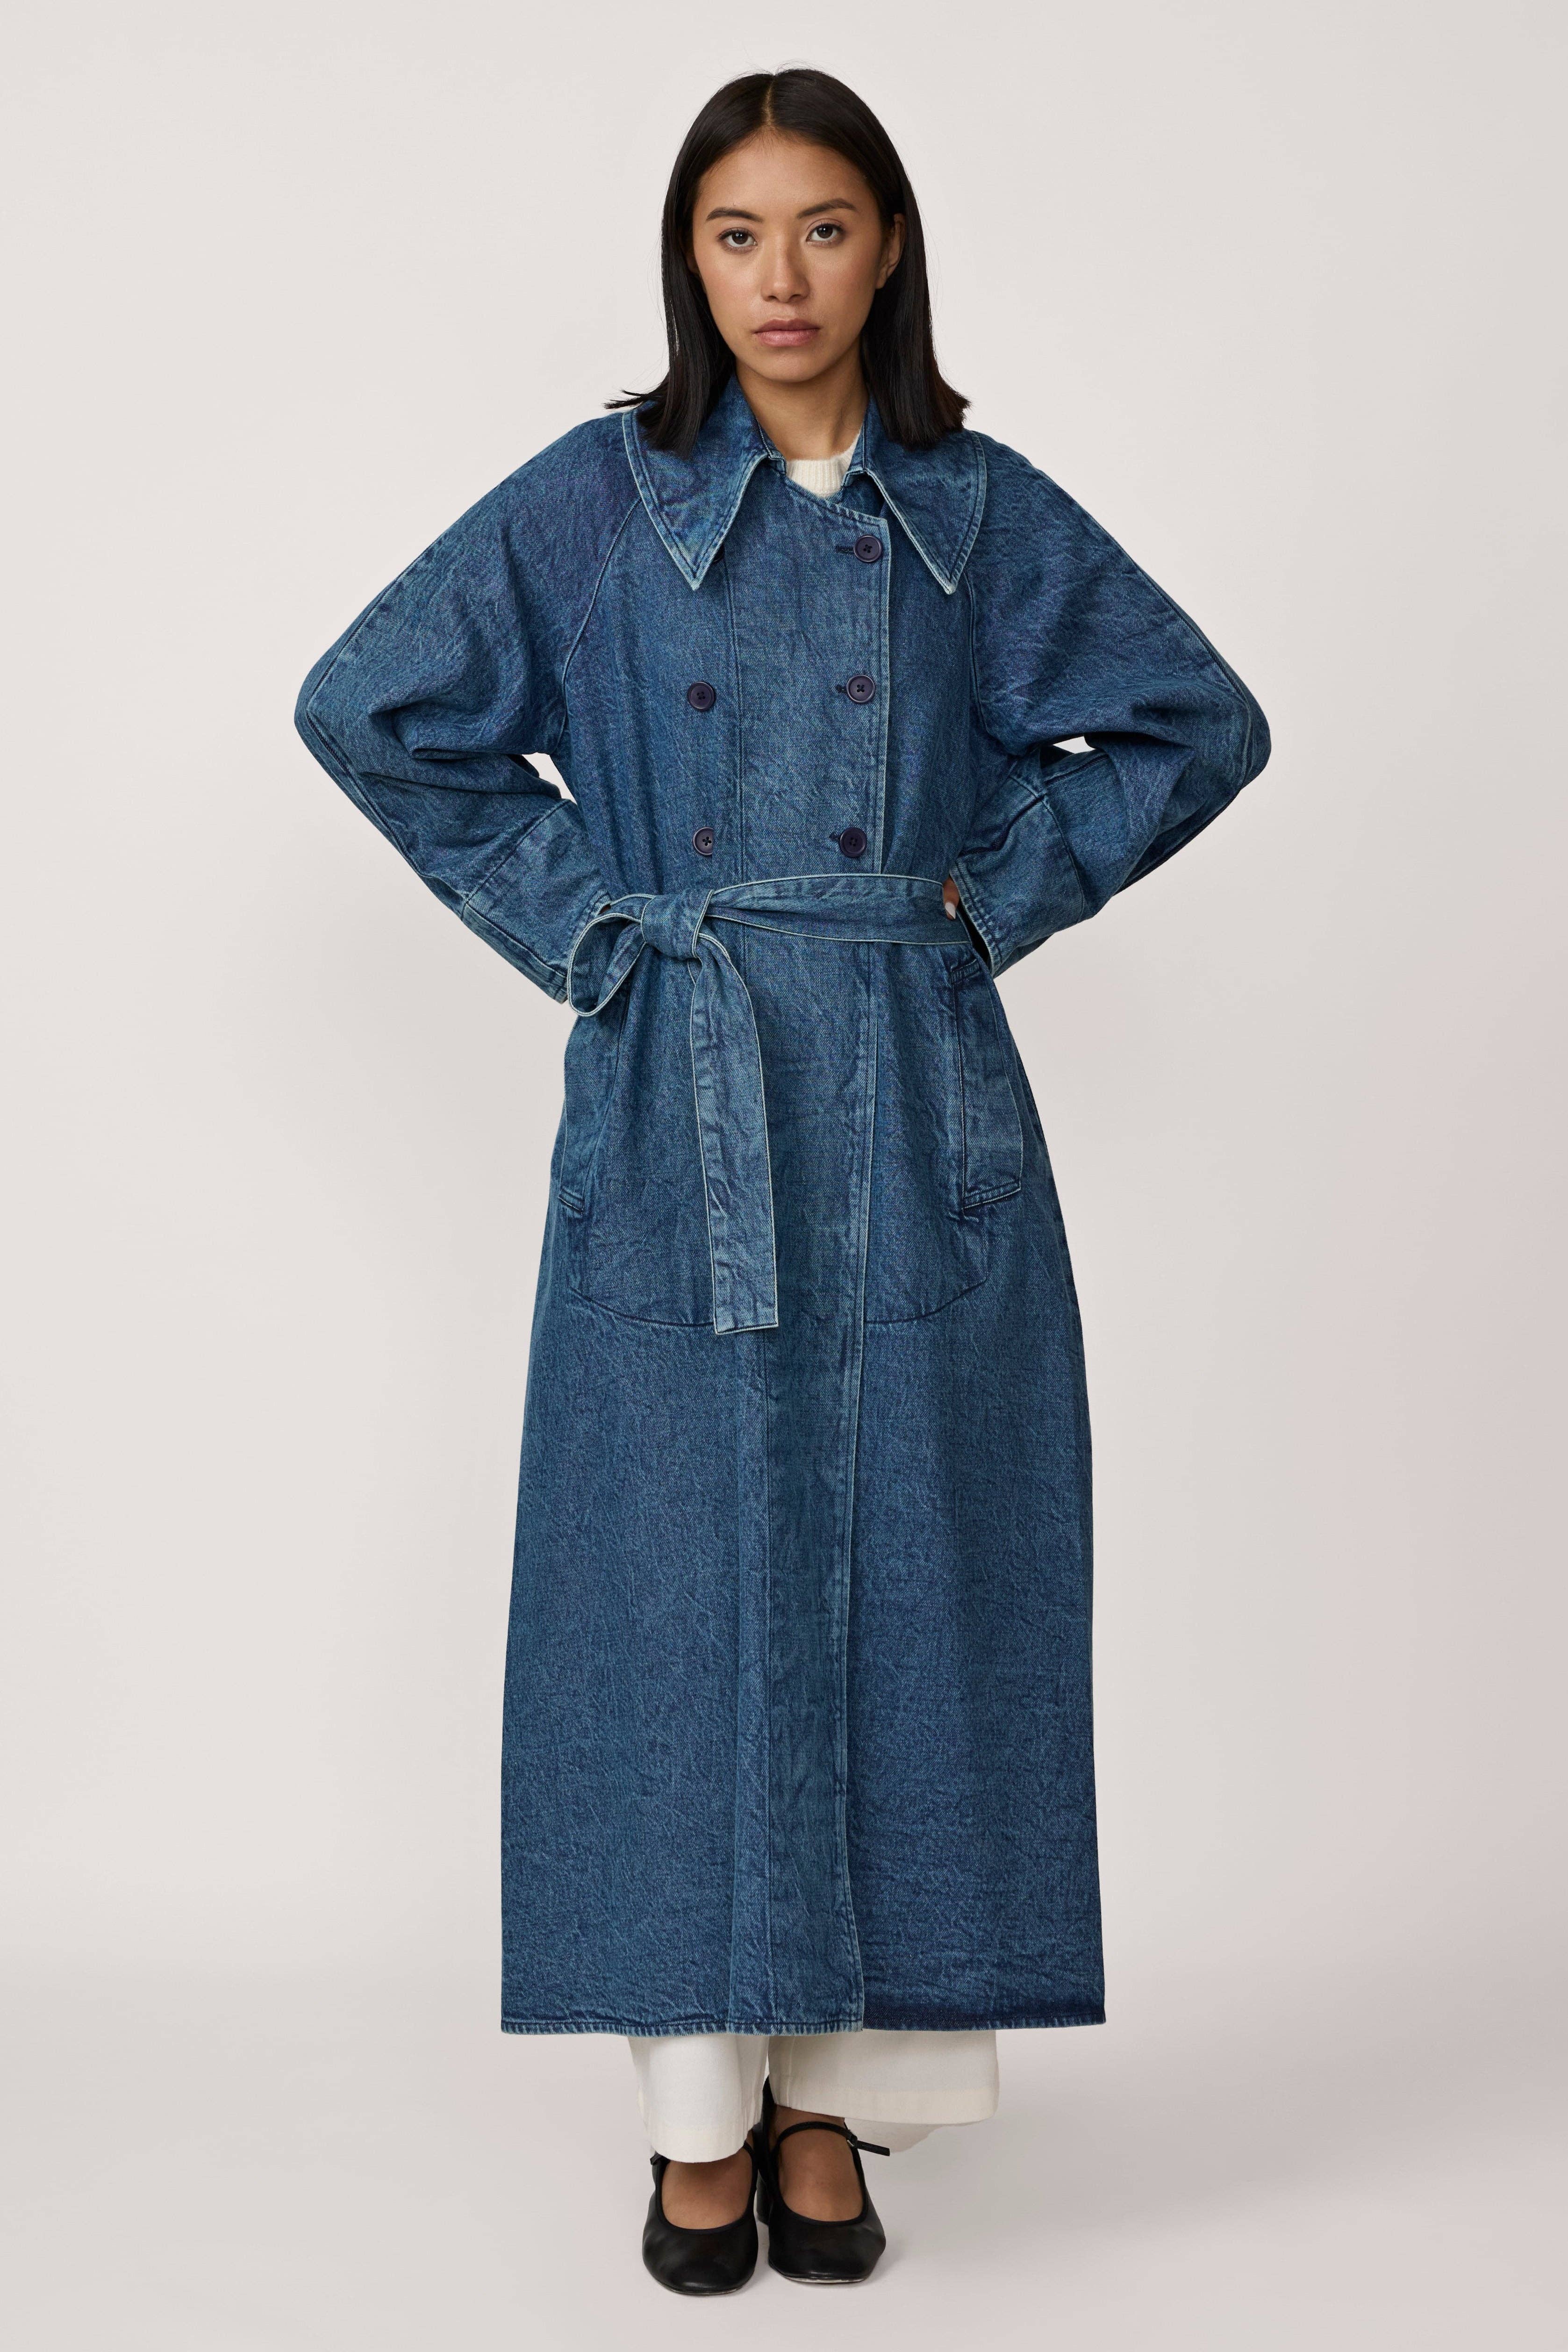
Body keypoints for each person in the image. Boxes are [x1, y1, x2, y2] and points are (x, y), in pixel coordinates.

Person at [294, 66, 1269, 2295]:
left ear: (886, 244)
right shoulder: (598, 502)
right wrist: (587, 925)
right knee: (670, 1588)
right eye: (734, 234)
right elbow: (372, 707)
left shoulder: (974, 509)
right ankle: (689, 2122)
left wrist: (986, 891)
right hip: (684, 1092)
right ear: (688, 258)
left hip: (920, 1100)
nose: (779, 277)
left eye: (821, 227)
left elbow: (1194, 723)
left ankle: (832, 2099)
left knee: (918, 1568)